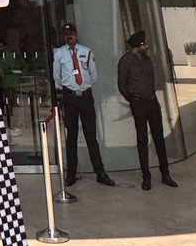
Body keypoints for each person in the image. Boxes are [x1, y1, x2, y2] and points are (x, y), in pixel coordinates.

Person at [52, 23, 114, 187]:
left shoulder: (86, 52)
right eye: (66, 34)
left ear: (76, 35)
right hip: (70, 98)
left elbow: (93, 75)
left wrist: (82, 86)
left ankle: (100, 172)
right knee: (71, 136)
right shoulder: (59, 54)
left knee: (91, 136)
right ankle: (71, 173)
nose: (69, 36)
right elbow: (56, 76)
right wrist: (69, 87)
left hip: (85, 97)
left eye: (71, 33)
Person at [117, 31, 178, 190]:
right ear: (136, 47)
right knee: (142, 140)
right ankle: (146, 176)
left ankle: (165, 173)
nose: (146, 46)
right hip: (139, 103)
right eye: (143, 44)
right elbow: (122, 84)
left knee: (159, 137)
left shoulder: (147, 60)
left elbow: (152, 78)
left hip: (152, 101)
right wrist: (133, 99)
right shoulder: (126, 61)